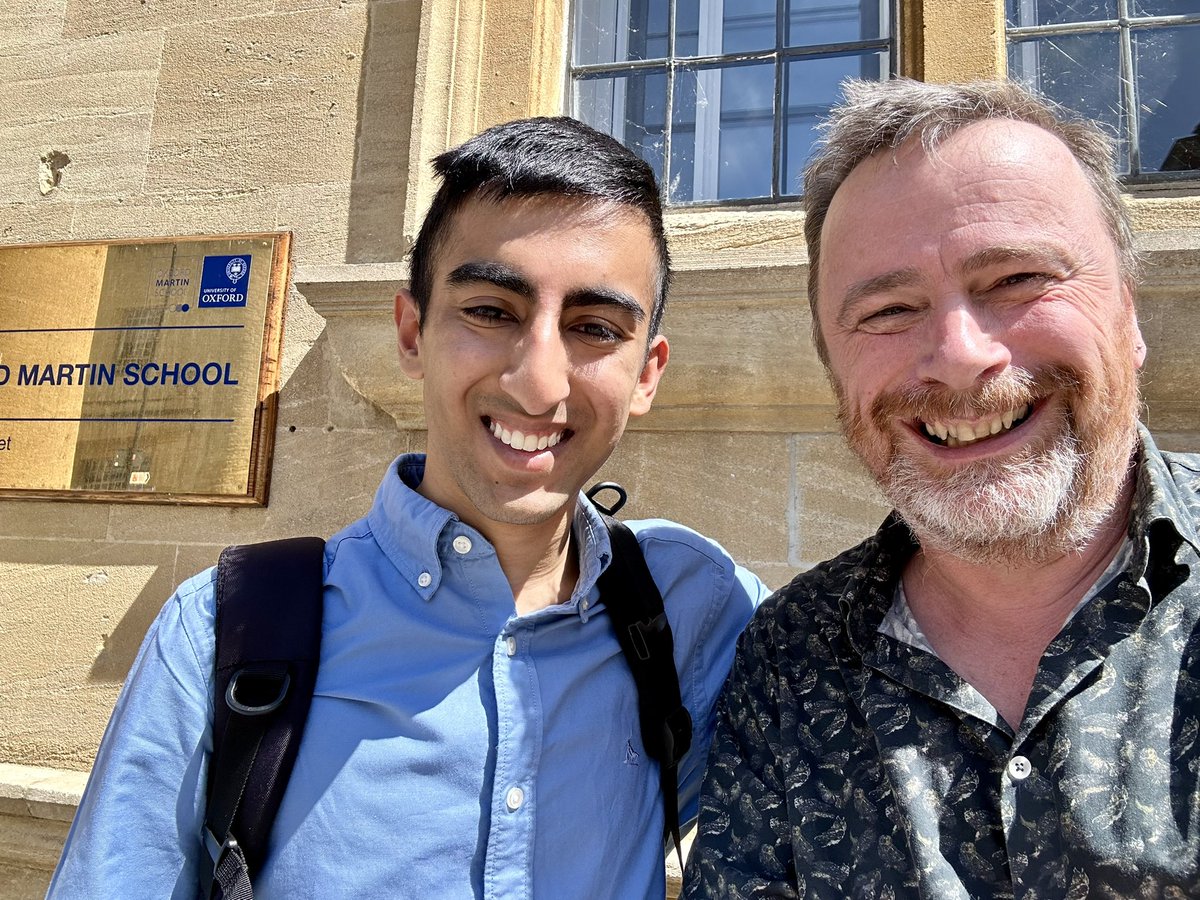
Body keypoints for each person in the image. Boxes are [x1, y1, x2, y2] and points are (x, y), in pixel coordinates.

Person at [49, 116, 767, 899]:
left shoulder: (697, 605)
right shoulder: (224, 634)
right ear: (412, 330)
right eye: (491, 311)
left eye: (595, 328)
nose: (540, 382)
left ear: (648, 372)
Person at [683, 78, 1200, 898]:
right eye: (888, 310)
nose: (960, 354)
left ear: (1128, 315)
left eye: (1018, 279)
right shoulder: (789, 662)